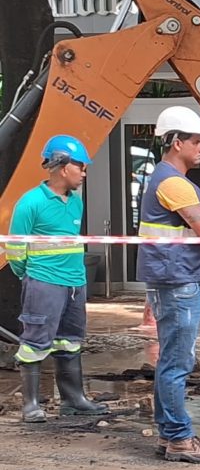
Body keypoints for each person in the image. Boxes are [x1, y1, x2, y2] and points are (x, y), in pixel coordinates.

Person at [137, 106, 200, 463]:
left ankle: (169, 433)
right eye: (196, 141)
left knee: (172, 361)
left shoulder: (167, 179)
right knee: (176, 362)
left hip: (177, 278)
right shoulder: (172, 182)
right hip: (179, 280)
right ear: (176, 142)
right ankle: (179, 439)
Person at [7, 135, 109, 423]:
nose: (85, 172)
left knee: (70, 341)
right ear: (63, 167)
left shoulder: (75, 202)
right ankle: (31, 405)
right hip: (44, 283)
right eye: (81, 166)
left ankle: (73, 399)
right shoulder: (31, 203)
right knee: (35, 342)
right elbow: (15, 251)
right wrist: (32, 276)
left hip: (75, 284)